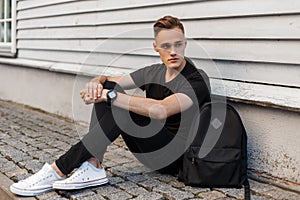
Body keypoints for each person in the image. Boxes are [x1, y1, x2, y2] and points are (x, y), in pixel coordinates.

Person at [10, 15, 211, 196]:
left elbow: (161, 110)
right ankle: (93, 164)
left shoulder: (196, 80)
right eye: (166, 46)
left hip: (178, 158)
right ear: (155, 47)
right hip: (152, 150)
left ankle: (58, 169)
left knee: (117, 103)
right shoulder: (154, 72)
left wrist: (109, 95)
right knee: (107, 88)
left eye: (178, 45)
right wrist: (96, 83)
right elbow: (111, 80)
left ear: (185, 44)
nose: (173, 52)